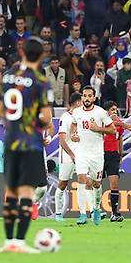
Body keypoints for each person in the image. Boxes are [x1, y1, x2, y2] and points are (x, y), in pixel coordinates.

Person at [0, 39, 53, 254]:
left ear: (22, 52)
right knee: (27, 193)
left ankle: (8, 241)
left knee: (10, 193)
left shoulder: (8, 75)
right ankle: (19, 242)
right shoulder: (40, 80)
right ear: (41, 56)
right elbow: (47, 118)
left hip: (10, 140)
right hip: (30, 143)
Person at [70, 86, 116, 226]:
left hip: (96, 154)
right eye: (84, 96)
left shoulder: (101, 112)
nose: (87, 98)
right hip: (81, 152)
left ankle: (96, 208)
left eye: (90, 96)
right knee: (82, 179)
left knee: (96, 184)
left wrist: (98, 129)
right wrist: (73, 135)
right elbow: (73, 125)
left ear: (94, 98)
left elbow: (113, 130)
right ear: (82, 97)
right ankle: (83, 213)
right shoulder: (76, 112)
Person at [54, 92, 81, 222]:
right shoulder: (65, 117)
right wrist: (71, 154)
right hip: (67, 155)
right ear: (77, 102)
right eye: (81, 101)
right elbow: (62, 140)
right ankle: (58, 213)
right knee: (63, 183)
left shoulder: (81, 117)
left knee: (87, 180)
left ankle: (93, 210)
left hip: (80, 155)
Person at [102, 101, 126, 222]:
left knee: (114, 183)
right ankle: (94, 209)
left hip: (113, 155)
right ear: (106, 112)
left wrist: (120, 154)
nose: (115, 112)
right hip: (100, 155)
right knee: (94, 183)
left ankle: (115, 213)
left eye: (116, 110)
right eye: (112, 110)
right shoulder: (101, 122)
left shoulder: (119, 125)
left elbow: (120, 139)